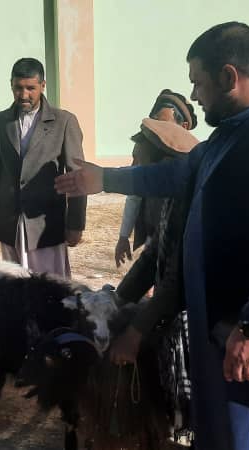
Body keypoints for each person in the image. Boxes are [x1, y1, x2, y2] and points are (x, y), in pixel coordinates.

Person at [55, 22, 249, 450]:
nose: (194, 95)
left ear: (229, 77)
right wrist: (105, 179)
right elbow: (179, 173)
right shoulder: (232, 135)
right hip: (226, 335)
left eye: (198, 82)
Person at [82, 91, 199, 449]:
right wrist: (118, 299)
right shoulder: (167, 198)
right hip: (176, 299)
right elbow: (151, 258)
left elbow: (176, 279)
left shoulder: (190, 201)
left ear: (162, 164)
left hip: (204, 314)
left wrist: (135, 331)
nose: (133, 163)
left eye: (139, 157)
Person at [0, 57, 87, 277]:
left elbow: (77, 176)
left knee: (50, 290)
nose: (24, 95)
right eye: (18, 88)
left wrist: (76, 224)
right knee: (15, 289)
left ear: (42, 86)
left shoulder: (64, 122)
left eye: (30, 88)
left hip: (46, 226)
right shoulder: (0, 121)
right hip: (10, 222)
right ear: (11, 85)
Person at [114, 90, 198, 267]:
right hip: (152, 232)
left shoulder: (193, 159)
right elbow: (134, 193)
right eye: (155, 122)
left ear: (182, 127)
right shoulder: (144, 150)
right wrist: (123, 237)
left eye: (164, 123)